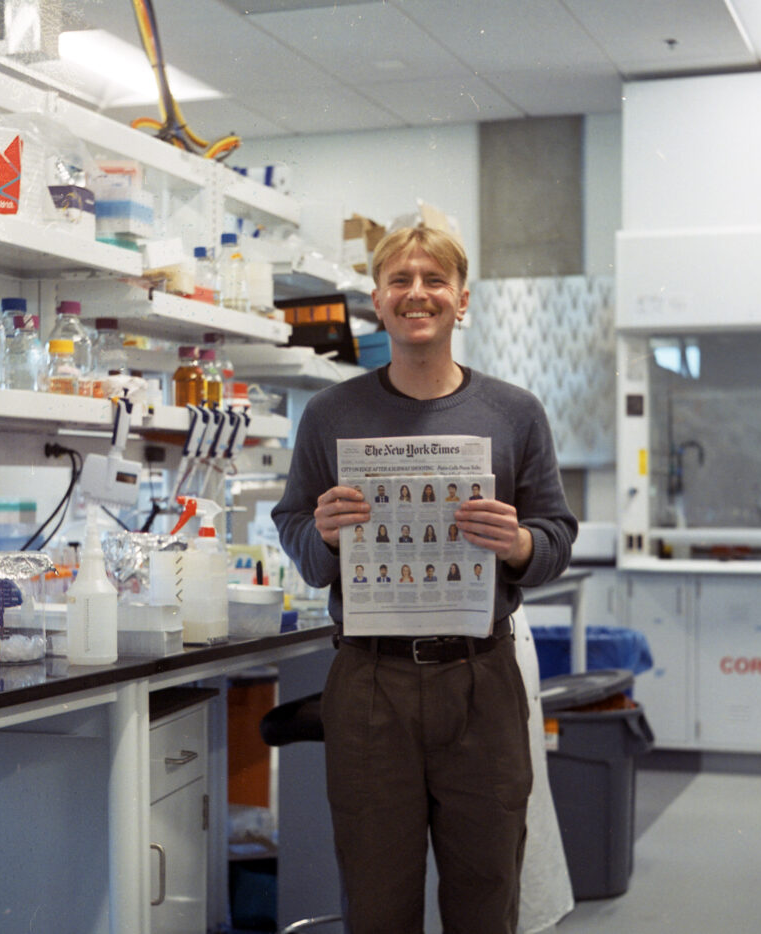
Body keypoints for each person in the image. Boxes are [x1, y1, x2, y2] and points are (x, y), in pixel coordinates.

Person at [271, 225, 577, 934]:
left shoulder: (514, 413)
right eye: (400, 280)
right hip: (371, 680)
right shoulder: (330, 414)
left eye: (434, 280)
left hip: (480, 676)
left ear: (461, 301)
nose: (417, 293)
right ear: (377, 301)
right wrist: (319, 533)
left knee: (486, 893)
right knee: (377, 904)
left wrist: (521, 542)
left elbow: (558, 536)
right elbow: (294, 527)